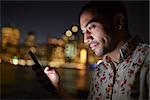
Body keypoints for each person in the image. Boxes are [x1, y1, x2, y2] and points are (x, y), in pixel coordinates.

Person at [34, 1, 149, 100]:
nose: (86, 39)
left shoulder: (147, 61)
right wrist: (57, 88)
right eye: (84, 32)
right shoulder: (101, 71)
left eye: (92, 27)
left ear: (118, 22)